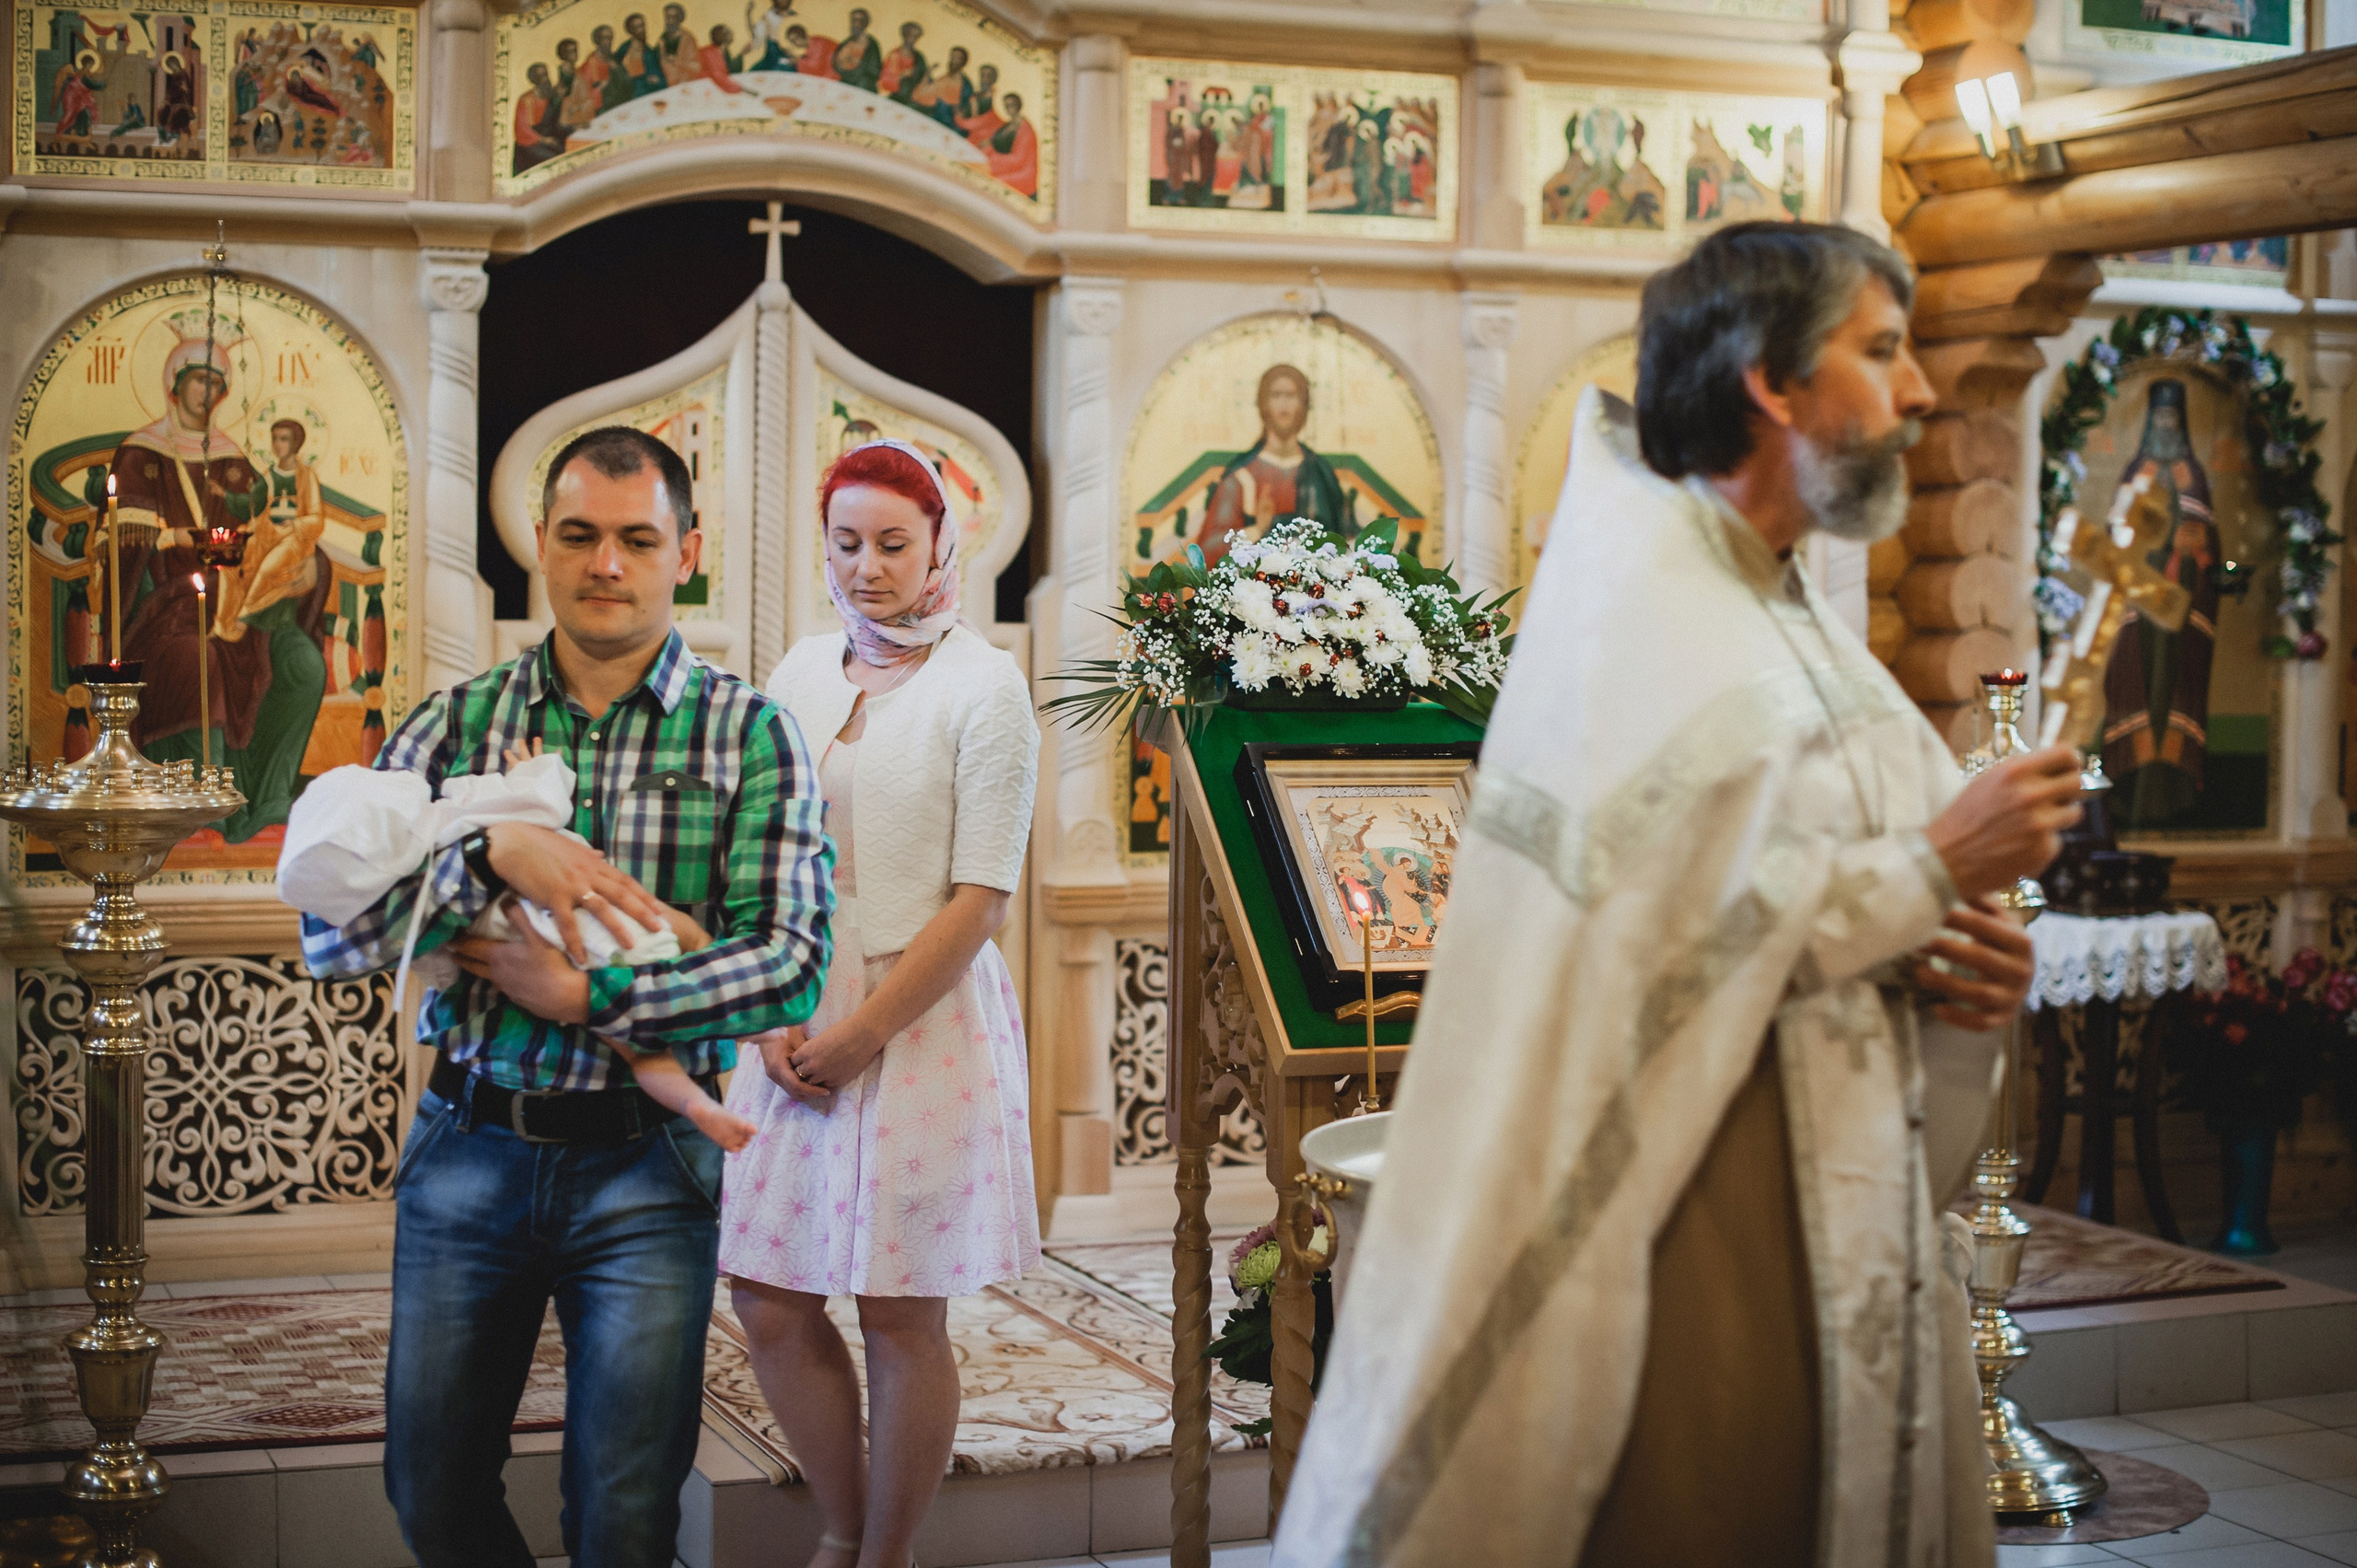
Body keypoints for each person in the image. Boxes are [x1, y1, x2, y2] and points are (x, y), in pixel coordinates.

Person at [1272, 221, 2084, 1568]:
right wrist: (1939, 865)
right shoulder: (1647, 616)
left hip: (1851, 1206)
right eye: (1883, 350)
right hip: (1704, 1224)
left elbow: (1848, 896)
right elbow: (1661, 940)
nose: (1924, 390)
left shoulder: (1789, 616)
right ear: (1771, 380)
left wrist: (1961, 962)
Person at [301, 425, 834, 1567]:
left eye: (637, 539)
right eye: (581, 535)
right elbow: (332, 935)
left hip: (647, 1166)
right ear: (540, 541)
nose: (606, 564)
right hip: (469, 1148)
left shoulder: (753, 736)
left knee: (624, 1516)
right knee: (428, 1488)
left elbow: (789, 960)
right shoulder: (458, 726)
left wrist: (587, 988)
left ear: (685, 550)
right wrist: (489, 857)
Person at [721, 439, 1039, 1568]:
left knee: (900, 1306)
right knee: (766, 1289)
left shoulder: (984, 686)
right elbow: (752, 847)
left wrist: (864, 1030)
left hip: (921, 1011)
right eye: (846, 543)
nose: (868, 567)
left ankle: (888, 1552)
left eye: (894, 543)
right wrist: (769, 1009)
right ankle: (841, 1527)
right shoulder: (799, 669)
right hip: (792, 994)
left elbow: (982, 896)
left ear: (943, 544)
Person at [2102, 377, 2221, 825]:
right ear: (2151, 421)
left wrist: (2198, 553)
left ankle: (2177, 794)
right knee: (2134, 687)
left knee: (2177, 695)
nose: (2167, 425)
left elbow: (2212, 546)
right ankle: (2129, 793)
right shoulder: (2137, 472)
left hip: (2183, 610)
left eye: (2174, 418)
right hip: (2140, 609)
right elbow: (2117, 537)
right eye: (2160, 417)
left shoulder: (2196, 476)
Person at [1193, 363, 1356, 563]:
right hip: (1254, 590)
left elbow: (1346, 537)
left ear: (1304, 405)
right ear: (1263, 404)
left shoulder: (1321, 472)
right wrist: (1257, 530)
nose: (1284, 404)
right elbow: (1208, 549)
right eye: (1276, 395)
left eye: (1291, 396)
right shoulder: (1242, 477)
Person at [831, 7, 880, 90]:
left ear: (866, 23)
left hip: (863, 87)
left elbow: (873, 71)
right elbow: (835, 63)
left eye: (860, 20)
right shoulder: (847, 42)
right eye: (853, 20)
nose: (856, 24)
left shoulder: (871, 45)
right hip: (845, 82)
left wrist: (853, 65)